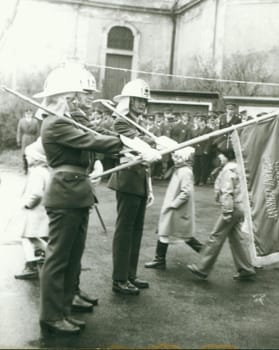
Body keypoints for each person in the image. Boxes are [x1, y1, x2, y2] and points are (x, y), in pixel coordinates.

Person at [35, 64, 124, 335]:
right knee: (59, 258)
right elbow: (93, 141)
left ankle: (63, 310)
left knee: (72, 258)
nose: (76, 102)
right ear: (60, 98)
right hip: (65, 194)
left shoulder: (65, 121)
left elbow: (91, 141)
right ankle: (51, 315)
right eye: (72, 97)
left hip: (77, 193)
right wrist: (128, 143)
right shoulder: (55, 124)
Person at [107, 79, 160, 296]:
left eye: (144, 100)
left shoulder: (137, 122)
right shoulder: (122, 122)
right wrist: (154, 143)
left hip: (139, 180)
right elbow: (141, 145)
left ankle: (130, 275)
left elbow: (148, 146)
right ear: (128, 100)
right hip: (127, 180)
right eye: (138, 99)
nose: (142, 104)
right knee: (125, 231)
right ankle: (119, 278)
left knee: (136, 231)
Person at [187, 147, 256, 281]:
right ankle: (246, 268)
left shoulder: (229, 169)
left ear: (227, 156)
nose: (219, 158)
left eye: (221, 156)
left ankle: (202, 267)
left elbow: (227, 191)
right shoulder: (241, 167)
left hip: (233, 206)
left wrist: (227, 211)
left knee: (216, 236)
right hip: (241, 205)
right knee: (236, 238)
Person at [145, 147, 203, 270]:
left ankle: (207, 255)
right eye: (175, 157)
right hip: (174, 208)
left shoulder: (185, 171)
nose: (175, 159)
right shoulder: (181, 169)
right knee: (165, 232)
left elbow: (186, 192)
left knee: (185, 235)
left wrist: (173, 204)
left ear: (185, 158)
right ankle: (159, 260)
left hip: (177, 209)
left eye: (178, 157)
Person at [13, 138, 49, 280]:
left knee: (28, 237)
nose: (27, 158)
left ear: (35, 158)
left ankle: (33, 264)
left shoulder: (36, 172)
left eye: (28, 156)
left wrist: (28, 204)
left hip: (34, 212)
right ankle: (40, 259)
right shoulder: (46, 170)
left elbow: (37, 193)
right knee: (32, 237)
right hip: (42, 211)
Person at [17, 109, 40, 174]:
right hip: (25, 139)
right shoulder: (21, 121)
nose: (28, 115)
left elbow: (38, 132)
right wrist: (18, 140)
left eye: (30, 113)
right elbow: (19, 131)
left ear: (32, 114)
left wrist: (38, 140)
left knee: (33, 154)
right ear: (25, 114)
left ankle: (33, 168)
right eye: (27, 113)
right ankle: (25, 168)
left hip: (33, 139)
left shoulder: (35, 121)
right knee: (24, 154)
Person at [192, 116, 212, 186]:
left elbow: (210, 141)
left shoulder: (209, 130)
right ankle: (196, 179)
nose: (201, 123)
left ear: (205, 122)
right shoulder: (196, 130)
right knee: (196, 166)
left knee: (204, 166)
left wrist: (206, 149)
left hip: (204, 150)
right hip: (197, 150)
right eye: (200, 121)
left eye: (202, 121)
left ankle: (203, 180)